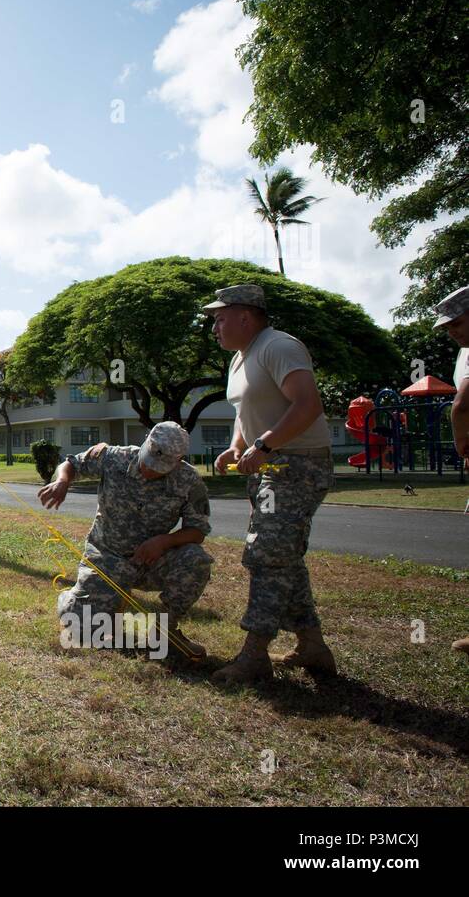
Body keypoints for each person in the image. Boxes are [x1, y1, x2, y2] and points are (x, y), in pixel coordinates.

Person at [204, 284, 336, 684]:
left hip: (298, 465)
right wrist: (236, 446)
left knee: (265, 555)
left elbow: (308, 405)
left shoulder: (279, 347)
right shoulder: (240, 359)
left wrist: (263, 445)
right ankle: (312, 646)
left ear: (246, 317)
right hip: (269, 464)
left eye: (220, 318)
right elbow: (246, 412)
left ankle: (254, 654)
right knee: (283, 557)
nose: (215, 328)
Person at [40, 421, 212, 659]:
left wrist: (163, 541)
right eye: (150, 460)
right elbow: (71, 463)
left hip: (151, 560)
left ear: (179, 459)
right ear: (146, 442)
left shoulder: (189, 481)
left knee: (196, 559)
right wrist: (62, 481)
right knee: (80, 631)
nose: (151, 470)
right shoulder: (113, 458)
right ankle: (73, 598)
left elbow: (198, 530)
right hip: (106, 557)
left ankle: (164, 631)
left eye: (161, 467)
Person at [432, 284, 469, 655]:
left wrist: (462, 444)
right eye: (448, 327)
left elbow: (462, 404)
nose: (453, 331)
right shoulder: (464, 353)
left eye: (457, 322)